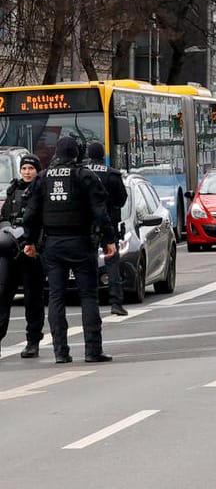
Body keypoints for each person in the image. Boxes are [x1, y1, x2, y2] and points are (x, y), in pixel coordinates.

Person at [21, 137, 114, 364]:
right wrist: (108, 240)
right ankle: (93, 350)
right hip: (82, 243)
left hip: (52, 245)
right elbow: (100, 211)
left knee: (56, 297)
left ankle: (60, 352)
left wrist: (29, 241)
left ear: (56, 154)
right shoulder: (84, 175)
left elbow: (31, 214)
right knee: (88, 296)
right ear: (76, 154)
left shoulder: (43, 178)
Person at [0, 154, 46, 357]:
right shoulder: (12, 191)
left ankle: (33, 341)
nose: (27, 172)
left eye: (31, 169)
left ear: (37, 170)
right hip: (9, 251)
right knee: (2, 296)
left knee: (32, 298)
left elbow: (45, 221)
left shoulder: (43, 190)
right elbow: (3, 218)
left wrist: (33, 242)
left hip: (31, 251)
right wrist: (7, 229)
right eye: (24, 168)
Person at [84, 142, 128, 317]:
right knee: (111, 262)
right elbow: (122, 199)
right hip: (108, 223)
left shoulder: (82, 172)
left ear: (88, 154)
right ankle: (116, 302)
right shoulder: (112, 174)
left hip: (86, 225)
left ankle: (89, 298)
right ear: (103, 155)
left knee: (88, 263)